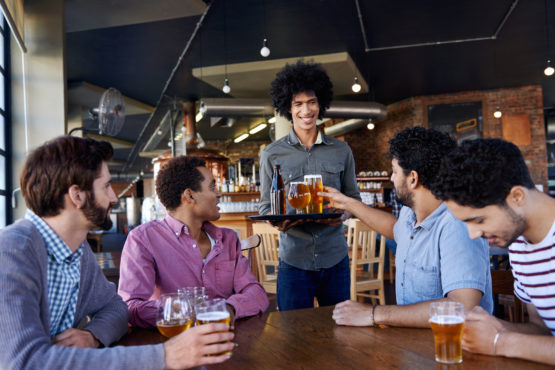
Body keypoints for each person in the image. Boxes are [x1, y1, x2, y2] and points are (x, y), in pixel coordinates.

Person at [0, 136, 234, 369]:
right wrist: (165, 356)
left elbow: (117, 308)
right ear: (77, 195)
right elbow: (25, 362)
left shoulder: (77, 252)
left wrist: (93, 336)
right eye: (106, 186)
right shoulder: (11, 251)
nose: (113, 197)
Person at [319, 127, 493, 328]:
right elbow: (394, 229)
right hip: (412, 348)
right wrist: (347, 203)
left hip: (451, 351)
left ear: (413, 178)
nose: (392, 178)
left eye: (394, 171)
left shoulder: (456, 226)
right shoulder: (410, 214)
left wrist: (374, 313)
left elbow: (463, 307)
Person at [430, 138, 555, 366]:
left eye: (479, 220)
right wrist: (493, 327)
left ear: (517, 197)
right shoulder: (518, 244)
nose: (473, 234)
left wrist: (501, 342)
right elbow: (543, 331)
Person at [118, 155, 268, 327]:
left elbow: (256, 293)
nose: (219, 194)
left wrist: (229, 308)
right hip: (173, 343)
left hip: (226, 338)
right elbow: (130, 306)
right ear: (189, 196)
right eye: (212, 187)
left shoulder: (228, 239)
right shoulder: (143, 239)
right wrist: (189, 312)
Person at [259, 60, 361, 311]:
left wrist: (343, 213)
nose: (306, 110)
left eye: (312, 102)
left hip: (335, 259)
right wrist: (278, 220)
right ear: (288, 108)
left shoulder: (341, 150)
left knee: (339, 332)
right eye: (298, 104)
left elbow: (353, 199)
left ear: (320, 103)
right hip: (293, 261)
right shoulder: (271, 154)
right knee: (292, 337)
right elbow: (265, 206)